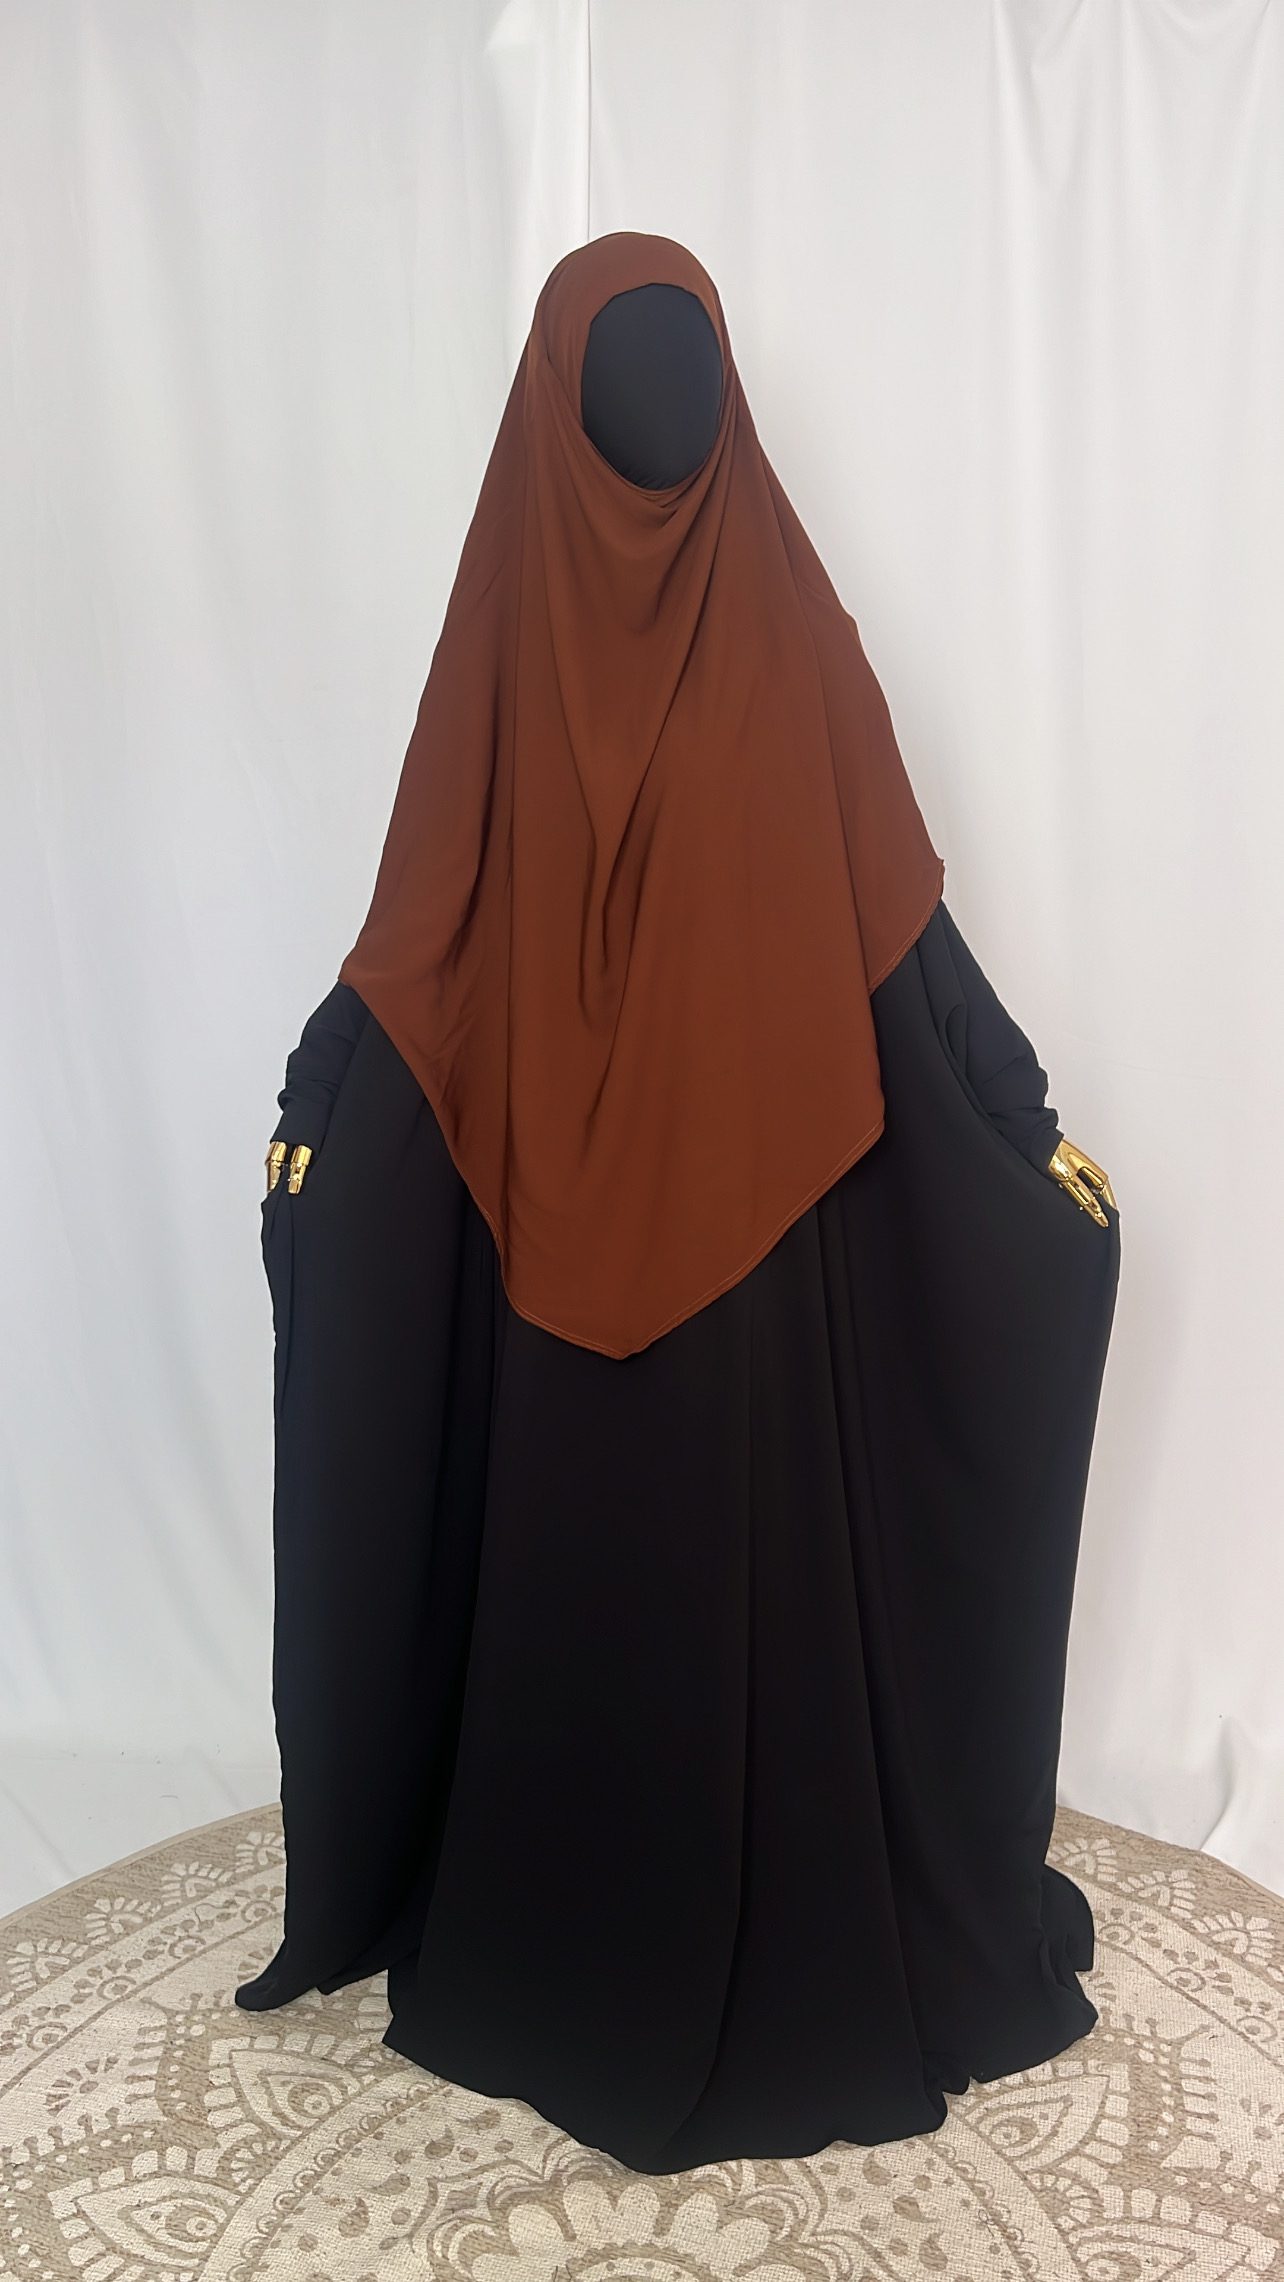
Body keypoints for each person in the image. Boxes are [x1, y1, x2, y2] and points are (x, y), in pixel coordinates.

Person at [234, 231, 1121, 2176]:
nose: (675, 421)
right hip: (605, 1276)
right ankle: (586, 1926)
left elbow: (902, 935)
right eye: (639, 389)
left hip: (752, 1259)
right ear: (558, 415)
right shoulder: (512, 642)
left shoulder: (771, 627)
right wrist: (317, 1111)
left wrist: (1020, 1119)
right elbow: (411, 945)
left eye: (695, 383)